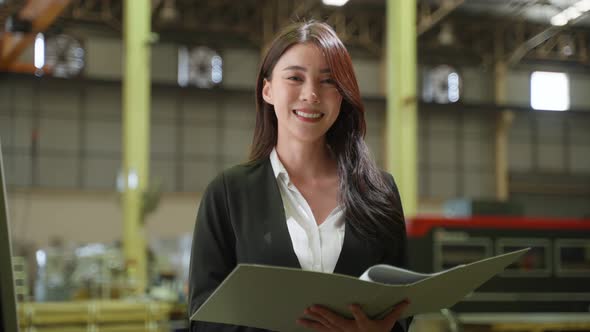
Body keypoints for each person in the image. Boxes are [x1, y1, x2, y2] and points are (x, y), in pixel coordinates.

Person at [188, 20, 412, 332]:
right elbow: (203, 317)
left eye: (328, 81)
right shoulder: (228, 194)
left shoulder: (380, 191)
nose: (311, 94)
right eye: (295, 77)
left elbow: (402, 308)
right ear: (268, 90)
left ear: (342, 96)